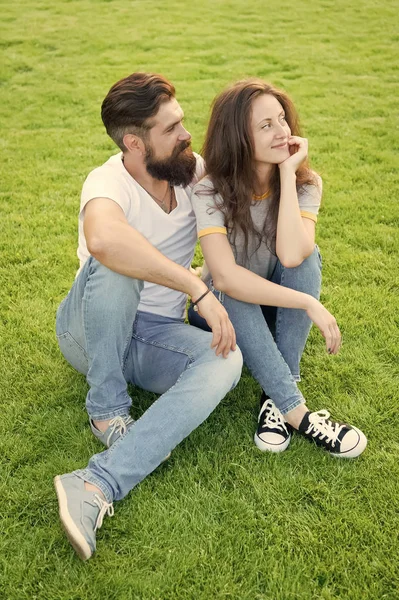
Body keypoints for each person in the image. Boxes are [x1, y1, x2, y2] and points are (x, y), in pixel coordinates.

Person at [54, 72, 243, 561]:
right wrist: (194, 287)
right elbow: (104, 241)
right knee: (118, 263)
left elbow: (241, 208)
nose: (186, 134)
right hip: (91, 331)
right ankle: (107, 409)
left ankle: (96, 483)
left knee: (225, 360)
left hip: (155, 334)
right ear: (135, 143)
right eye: (171, 128)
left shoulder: (191, 170)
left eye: (181, 121)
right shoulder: (106, 182)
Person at [189, 78, 367, 458]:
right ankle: (296, 410)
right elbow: (223, 276)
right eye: (265, 125)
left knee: (307, 255)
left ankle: (274, 398)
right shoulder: (209, 190)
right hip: (221, 309)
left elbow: (292, 256)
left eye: (282, 119)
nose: (282, 132)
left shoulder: (305, 183)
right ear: (237, 136)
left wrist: (287, 174)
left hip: (271, 308)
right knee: (228, 285)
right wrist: (306, 303)